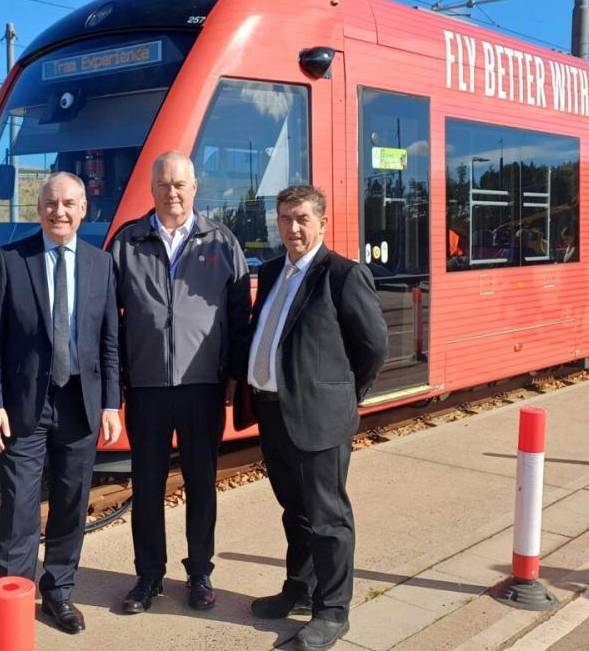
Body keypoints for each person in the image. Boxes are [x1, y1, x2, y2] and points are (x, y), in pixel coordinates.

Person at [240, 185, 387, 651]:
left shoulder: (342, 274)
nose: (293, 227)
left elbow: (373, 346)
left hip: (320, 417)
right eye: (285, 218)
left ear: (323, 222)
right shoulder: (271, 271)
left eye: (302, 218)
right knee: (295, 511)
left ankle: (333, 610)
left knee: (328, 517)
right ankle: (299, 588)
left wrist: (343, 395)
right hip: (273, 412)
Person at [0, 172, 121, 635]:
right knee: (19, 505)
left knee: (71, 500)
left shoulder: (101, 264)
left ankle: (58, 590)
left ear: (83, 211)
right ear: (39, 209)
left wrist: (111, 404)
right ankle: (11, 604)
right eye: (51, 203)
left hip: (81, 400)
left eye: (68, 204)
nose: (59, 212)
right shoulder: (11, 260)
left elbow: (109, 341)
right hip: (25, 404)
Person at [108, 151, 250, 613]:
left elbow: (239, 316)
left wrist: (233, 374)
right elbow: (108, 320)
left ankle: (200, 571)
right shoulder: (127, 242)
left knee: (201, 483)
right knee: (147, 485)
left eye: (180, 184)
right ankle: (148, 575)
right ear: (152, 189)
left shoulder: (222, 242)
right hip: (146, 388)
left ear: (194, 188)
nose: (172, 192)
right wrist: (117, 380)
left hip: (202, 387)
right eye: (164, 184)